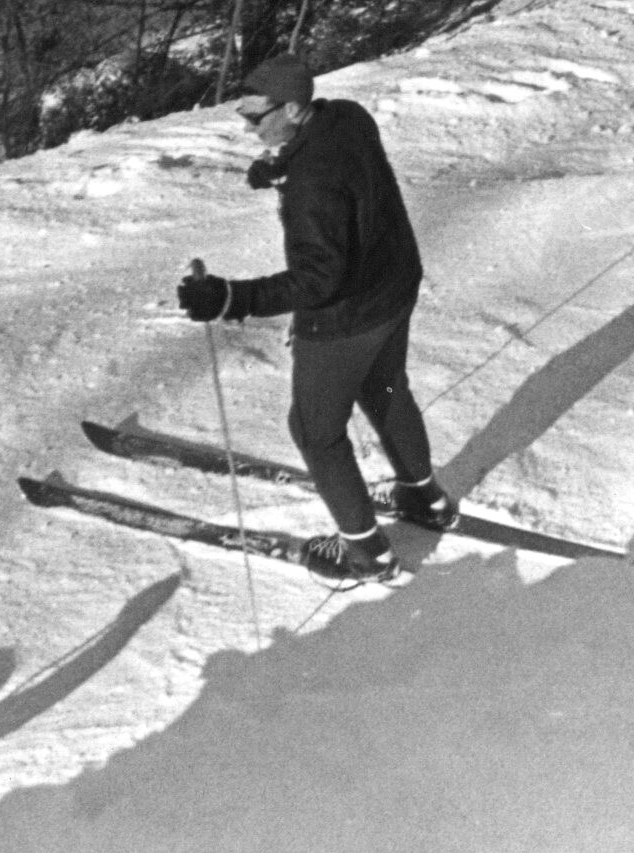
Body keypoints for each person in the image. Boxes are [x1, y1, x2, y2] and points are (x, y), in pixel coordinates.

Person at [176, 55, 451, 577]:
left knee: (315, 431)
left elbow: (317, 279)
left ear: (295, 109)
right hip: (393, 285)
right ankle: (425, 499)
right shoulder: (346, 116)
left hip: (345, 318)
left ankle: (366, 553)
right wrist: (284, 165)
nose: (246, 125)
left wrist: (228, 298)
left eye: (256, 117)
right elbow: (343, 170)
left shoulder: (312, 185)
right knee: (385, 388)